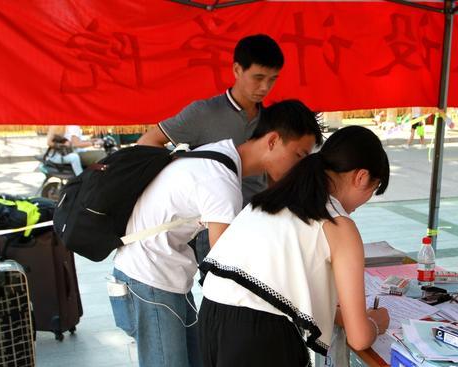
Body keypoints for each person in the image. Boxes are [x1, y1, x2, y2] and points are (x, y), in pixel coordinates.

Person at [110, 100, 323, 367]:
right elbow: (227, 268)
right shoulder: (222, 183)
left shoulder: (219, 155)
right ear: (272, 141)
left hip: (164, 274)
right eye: (299, 155)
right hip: (147, 279)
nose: (300, 167)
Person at [198, 125, 391, 367]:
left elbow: (271, 288)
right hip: (260, 338)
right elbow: (359, 338)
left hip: (211, 318)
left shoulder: (271, 200)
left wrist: (343, 316)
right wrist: (376, 323)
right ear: (361, 177)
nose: (363, 203)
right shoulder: (339, 224)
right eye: (372, 191)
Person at [137, 33, 284, 205]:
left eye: (272, 79)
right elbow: (147, 142)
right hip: (209, 219)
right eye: (258, 78)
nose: (265, 87)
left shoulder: (271, 119)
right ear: (237, 70)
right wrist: (185, 172)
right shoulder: (203, 112)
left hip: (255, 216)